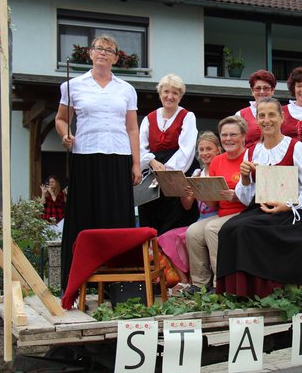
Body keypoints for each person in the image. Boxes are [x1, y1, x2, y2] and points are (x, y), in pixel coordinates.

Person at [55, 34, 141, 292]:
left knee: (115, 219)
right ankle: (80, 282)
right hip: (86, 157)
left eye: (109, 50)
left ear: (116, 58)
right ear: (90, 53)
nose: (102, 53)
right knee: (84, 218)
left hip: (118, 158)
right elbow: (61, 119)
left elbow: (132, 128)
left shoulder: (126, 89)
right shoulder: (72, 86)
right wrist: (65, 135)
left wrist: (136, 164)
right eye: (98, 48)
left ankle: (119, 283)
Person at [216, 98, 302, 298]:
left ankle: (262, 291)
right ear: (256, 119)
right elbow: (246, 198)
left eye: (272, 114)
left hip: (289, 212)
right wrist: (245, 177)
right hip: (259, 209)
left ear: (282, 118)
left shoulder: (295, 147)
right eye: (261, 115)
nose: (266, 120)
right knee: (228, 229)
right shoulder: (252, 151)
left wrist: (287, 205)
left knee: (245, 230)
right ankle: (236, 291)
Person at [185, 117, 248, 291]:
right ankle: (199, 284)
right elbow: (213, 206)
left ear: (243, 136)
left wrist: (237, 196)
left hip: (246, 212)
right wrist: (201, 193)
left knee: (211, 228)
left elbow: (258, 193)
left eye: (233, 135)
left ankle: (220, 284)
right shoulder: (217, 161)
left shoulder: (250, 157)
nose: (228, 139)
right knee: (193, 232)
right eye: (224, 135)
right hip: (222, 213)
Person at [156, 131, 222, 280]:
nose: (205, 153)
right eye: (202, 149)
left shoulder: (220, 170)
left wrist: (201, 191)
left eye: (209, 149)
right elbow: (187, 205)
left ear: (218, 149)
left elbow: (218, 205)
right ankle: (185, 281)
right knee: (166, 237)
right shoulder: (198, 173)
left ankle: (200, 279)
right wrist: (183, 190)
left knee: (187, 235)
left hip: (216, 218)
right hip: (200, 220)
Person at [138, 74, 200, 234]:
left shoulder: (187, 116)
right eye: (166, 92)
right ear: (160, 93)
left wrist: (167, 173)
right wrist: (151, 161)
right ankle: (152, 258)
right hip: (152, 174)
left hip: (178, 173)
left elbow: (186, 150)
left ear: (180, 96)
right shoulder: (149, 118)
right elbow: (140, 149)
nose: (170, 96)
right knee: (150, 222)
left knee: (176, 222)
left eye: (175, 93)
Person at [236, 70, 277, 148]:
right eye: (258, 88)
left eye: (266, 88)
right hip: (249, 159)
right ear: (252, 91)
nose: (262, 92)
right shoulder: (240, 115)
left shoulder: (280, 113)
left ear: (272, 91)